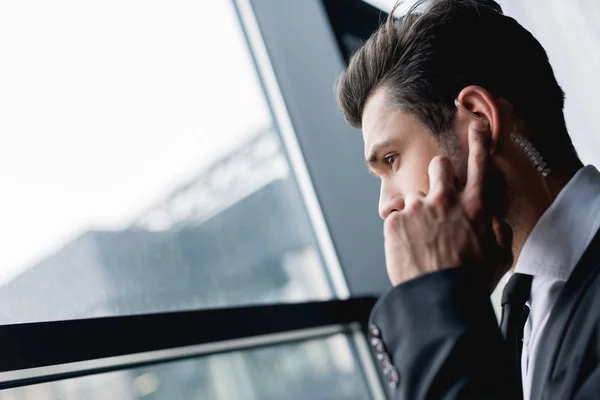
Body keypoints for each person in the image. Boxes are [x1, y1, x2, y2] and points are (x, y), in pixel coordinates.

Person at [336, 0, 600, 399]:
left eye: (392, 159)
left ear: (479, 118)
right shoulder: (514, 309)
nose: (385, 205)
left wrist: (431, 301)